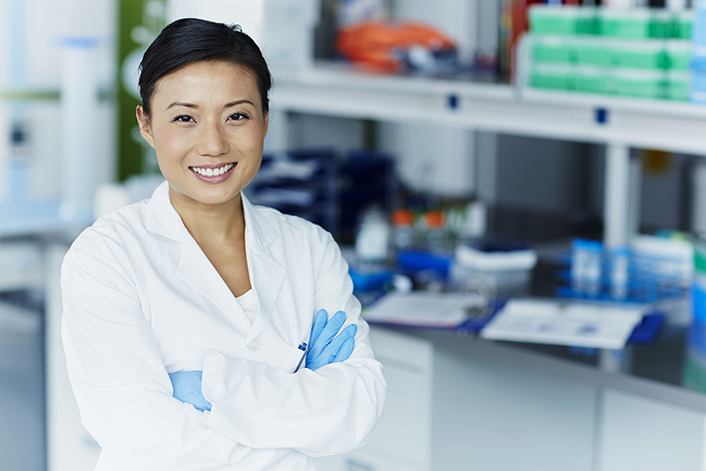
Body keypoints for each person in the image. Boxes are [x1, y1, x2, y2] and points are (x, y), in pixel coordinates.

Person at [61, 18, 386, 471]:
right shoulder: (105, 257)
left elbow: (357, 409)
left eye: (237, 115)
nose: (213, 144)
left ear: (265, 120)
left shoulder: (310, 248)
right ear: (147, 124)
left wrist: (214, 386)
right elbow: (142, 437)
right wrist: (296, 409)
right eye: (185, 118)